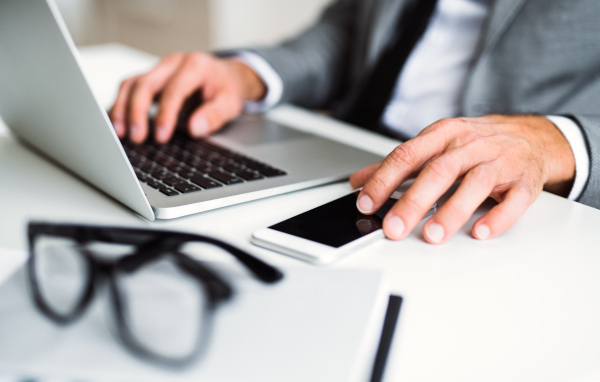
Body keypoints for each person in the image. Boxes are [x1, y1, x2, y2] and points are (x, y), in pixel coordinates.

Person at [109, 0, 600, 244]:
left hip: (491, 205)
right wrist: (248, 74)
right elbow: (343, 35)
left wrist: (555, 141)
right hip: (341, 155)